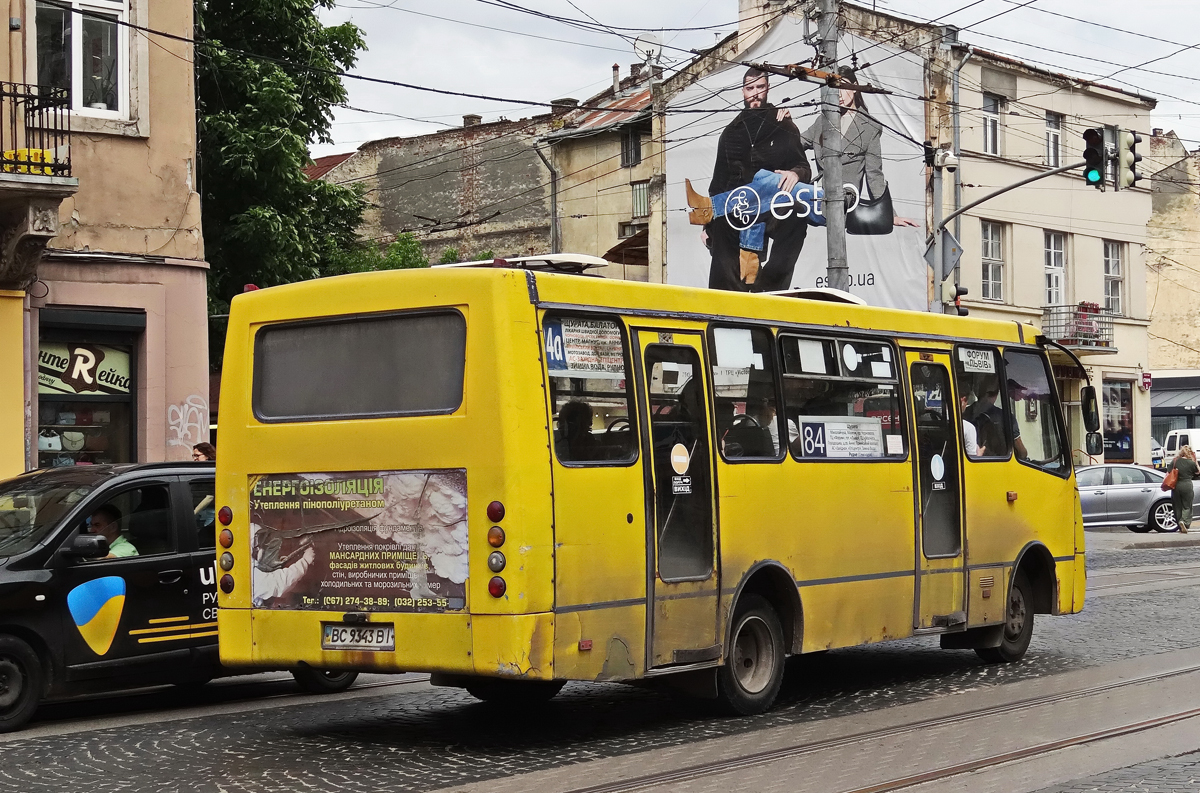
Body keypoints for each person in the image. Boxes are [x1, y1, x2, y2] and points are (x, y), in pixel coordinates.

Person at [689, 67, 814, 292]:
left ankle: (772, 288)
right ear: (743, 92)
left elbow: (804, 167)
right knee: (723, 224)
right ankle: (725, 299)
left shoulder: (783, 125)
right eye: (750, 88)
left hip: (771, 209)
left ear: (768, 89)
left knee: (796, 216)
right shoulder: (731, 132)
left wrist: (794, 173)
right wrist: (709, 225)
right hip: (738, 207)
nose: (755, 93)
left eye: (760, 87)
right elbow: (718, 182)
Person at [800, 67, 920, 232]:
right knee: (771, 186)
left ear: (855, 87)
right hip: (817, 198)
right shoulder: (823, 120)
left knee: (776, 192)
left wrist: (890, 215)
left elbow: (874, 175)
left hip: (843, 201)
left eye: (844, 87)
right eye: (835, 88)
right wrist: (785, 122)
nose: (839, 94)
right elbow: (795, 143)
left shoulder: (869, 127)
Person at [1169, 445, 1199, 533]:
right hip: (1187, 485)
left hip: (1176, 485)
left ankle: (1179, 525)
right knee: (1187, 506)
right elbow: (1198, 472)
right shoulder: (1191, 463)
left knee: (1177, 506)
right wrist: (1195, 461)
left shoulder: (1175, 461)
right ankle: (1184, 521)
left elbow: (1169, 471)